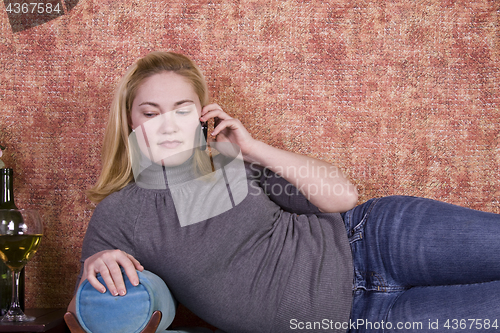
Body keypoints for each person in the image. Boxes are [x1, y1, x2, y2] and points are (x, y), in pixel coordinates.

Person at [68, 51, 500, 333]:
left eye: (182, 110)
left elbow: (342, 197)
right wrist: (96, 262)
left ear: (200, 115)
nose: (167, 124)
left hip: (375, 241)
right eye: (151, 112)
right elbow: (85, 315)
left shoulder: (226, 159)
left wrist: (251, 148)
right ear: (130, 121)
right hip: (361, 321)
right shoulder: (119, 216)